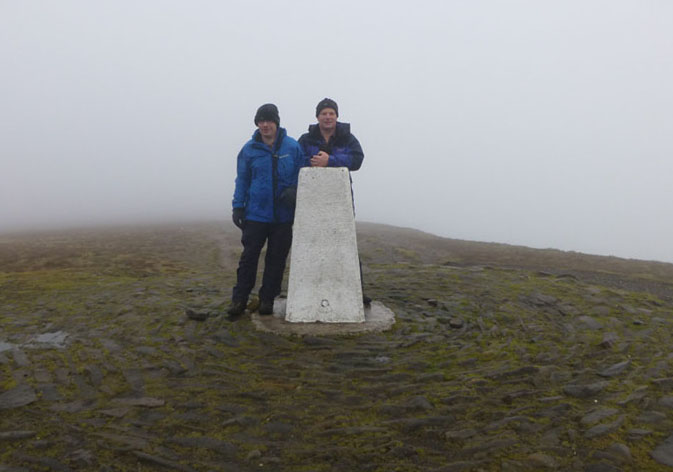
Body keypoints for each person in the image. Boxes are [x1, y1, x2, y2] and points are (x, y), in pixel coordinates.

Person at [227, 103, 306, 319]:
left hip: (283, 216)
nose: (265, 125)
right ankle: (240, 298)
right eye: (261, 121)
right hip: (255, 214)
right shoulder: (249, 150)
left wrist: (294, 190)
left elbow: (305, 173)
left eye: (269, 120)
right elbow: (242, 179)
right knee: (249, 258)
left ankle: (267, 298)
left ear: (276, 122)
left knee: (276, 259)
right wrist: (238, 206)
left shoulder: (292, 147)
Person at [298, 98, 370, 307]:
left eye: (331, 113)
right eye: (324, 113)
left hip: (341, 198)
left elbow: (357, 159)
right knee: (313, 242)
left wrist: (330, 161)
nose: (328, 117)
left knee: (345, 243)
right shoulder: (305, 139)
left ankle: (356, 289)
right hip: (312, 198)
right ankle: (311, 287)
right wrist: (313, 163)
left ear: (337, 116)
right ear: (317, 117)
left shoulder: (348, 138)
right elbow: (298, 159)